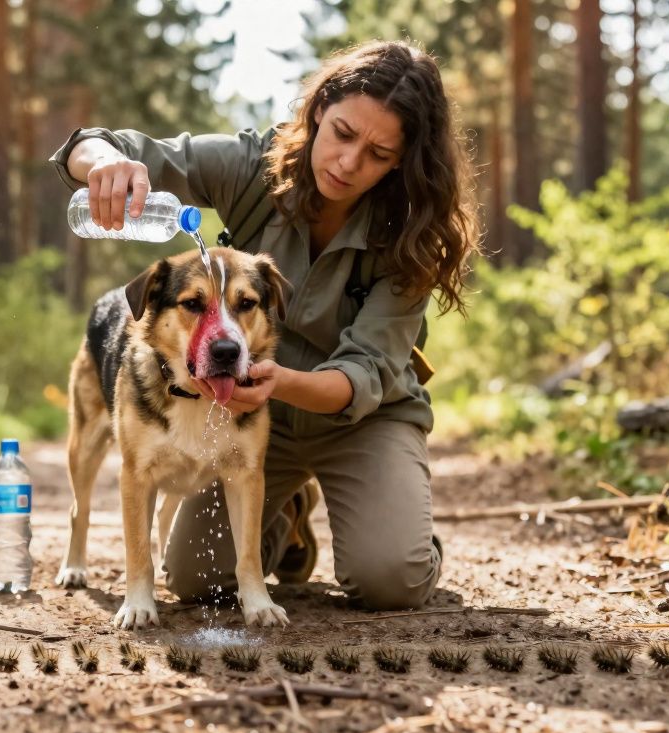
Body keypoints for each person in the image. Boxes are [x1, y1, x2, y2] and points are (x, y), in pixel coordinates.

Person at [48, 39, 480, 610]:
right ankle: (286, 516)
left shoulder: (412, 234)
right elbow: (104, 145)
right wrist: (106, 165)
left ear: (403, 159)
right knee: (197, 583)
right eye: (344, 134)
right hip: (236, 414)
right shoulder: (255, 168)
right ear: (320, 109)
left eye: (378, 153)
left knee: (389, 579)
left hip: (358, 419)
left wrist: (281, 384)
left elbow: (368, 369)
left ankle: (400, 531)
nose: (349, 163)